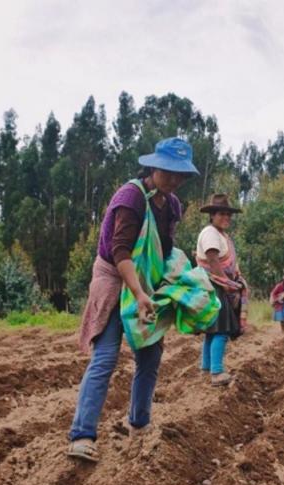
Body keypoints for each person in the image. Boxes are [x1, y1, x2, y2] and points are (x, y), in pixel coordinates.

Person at [67, 137, 217, 463]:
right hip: (114, 279)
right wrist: (138, 294)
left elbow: (161, 251)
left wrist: (179, 294)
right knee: (106, 357)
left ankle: (139, 426)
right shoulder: (130, 197)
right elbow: (121, 251)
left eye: (181, 175)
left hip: (145, 282)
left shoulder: (172, 205)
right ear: (153, 166)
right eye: (169, 172)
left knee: (150, 356)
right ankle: (82, 435)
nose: (175, 180)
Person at [196, 194, 248, 387]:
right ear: (212, 215)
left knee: (213, 330)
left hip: (217, 284)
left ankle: (206, 368)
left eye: (228, 214)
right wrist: (228, 286)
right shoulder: (210, 233)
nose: (226, 217)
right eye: (221, 214)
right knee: (221, 329)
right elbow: (213, 260)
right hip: (215, 285)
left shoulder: (221, 235)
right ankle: (216, 371)